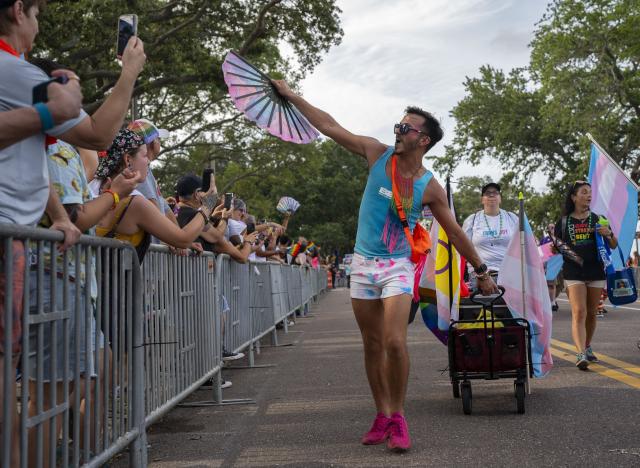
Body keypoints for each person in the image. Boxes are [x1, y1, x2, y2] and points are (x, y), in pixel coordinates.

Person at [272, 80, 497, 452]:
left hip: (397, 266)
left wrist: (481, 271)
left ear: (423, 140)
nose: (398, 130)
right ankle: (382, 413)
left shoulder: (429, 187)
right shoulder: (377, 155)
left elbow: (455, 232)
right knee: (372, 344)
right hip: (363, 265)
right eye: (399, 124)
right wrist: (292, 96)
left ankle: (399, 416)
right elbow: (330, 126)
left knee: (394, 341)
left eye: (406, 127)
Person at [0, 2, 145, 463]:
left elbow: (23, 161)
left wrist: (58, 215)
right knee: (38, 390)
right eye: (38, 13)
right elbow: (100, 134)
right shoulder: (13, 70)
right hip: (24, 252)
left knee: (41, 387)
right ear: (19, 10)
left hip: (27, 246)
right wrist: (129, 73)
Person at [93, 130, 217, 260]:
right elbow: (183, 239)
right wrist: (209, 204)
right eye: (145, 155)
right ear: (128, 159)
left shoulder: (94, 186)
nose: (148, 162)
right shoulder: (135, 203)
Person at [554, 181, 617, 370]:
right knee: (579, 311)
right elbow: (556, 247)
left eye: (590, 192)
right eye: (584, 192)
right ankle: (581, 353)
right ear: (574, 197)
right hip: (573, 271)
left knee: (591, 313)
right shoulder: (564, 222)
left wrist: (608, 233)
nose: (588, 195)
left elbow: (613, 245)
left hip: (596, 270)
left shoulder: (599, 219)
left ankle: (587, 345)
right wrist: (553, 247)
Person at [461, 182, 518, 288]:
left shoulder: (512, 218)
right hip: (479, 276)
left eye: (495, 193)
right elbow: (463, 248)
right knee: (482, 305)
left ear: (500, 198)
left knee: (505, 305)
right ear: (482, 199)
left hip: (509, 277)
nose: (492, 195)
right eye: (487, 193)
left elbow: (523, 245)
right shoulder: (472, 220)